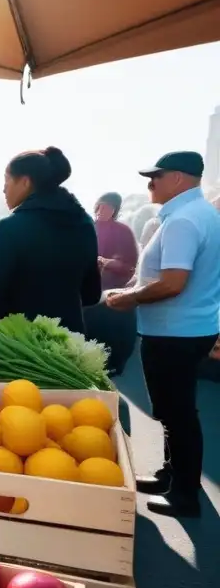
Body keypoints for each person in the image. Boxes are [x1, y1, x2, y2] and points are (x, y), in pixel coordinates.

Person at [106, 151, 220, 518]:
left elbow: (173, 281)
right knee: (177, 409)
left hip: (175, 334)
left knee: (178, 412)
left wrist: (129, 297)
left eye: (157, 176)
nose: (150, 183)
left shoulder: (184, 221)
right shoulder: (203, 215)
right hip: (191, 329)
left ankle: (185, 494)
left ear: (179, 179)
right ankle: (171, 475)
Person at [0, 147, 100, 334]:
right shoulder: (84, 224)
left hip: (20, 348)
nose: (4, 189)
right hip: (68, 346)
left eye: (7, 180)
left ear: (25, 182)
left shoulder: (9, 228)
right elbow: (91, 295)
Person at [93, 192, 139, 290]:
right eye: (99, 207)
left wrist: (105, 262)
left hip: (113, 276)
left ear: (114, 211)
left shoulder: (123, 231)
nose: (101, 211)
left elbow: (129, 267)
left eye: (106, 208)